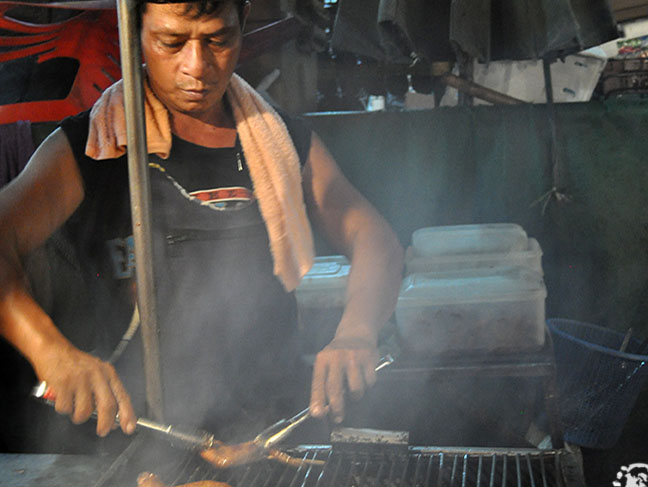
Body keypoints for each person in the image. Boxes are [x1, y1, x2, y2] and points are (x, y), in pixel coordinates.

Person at [0, 0, 403, 443]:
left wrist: (358, 331)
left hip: (272, 432)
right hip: (141, 436)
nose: (197, 66)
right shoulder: (92, 146)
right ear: (134, 30)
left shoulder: (278, 138)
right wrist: (49, 352)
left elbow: (373, 237)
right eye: (171, 42)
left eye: (218, 40)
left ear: (243, 22)